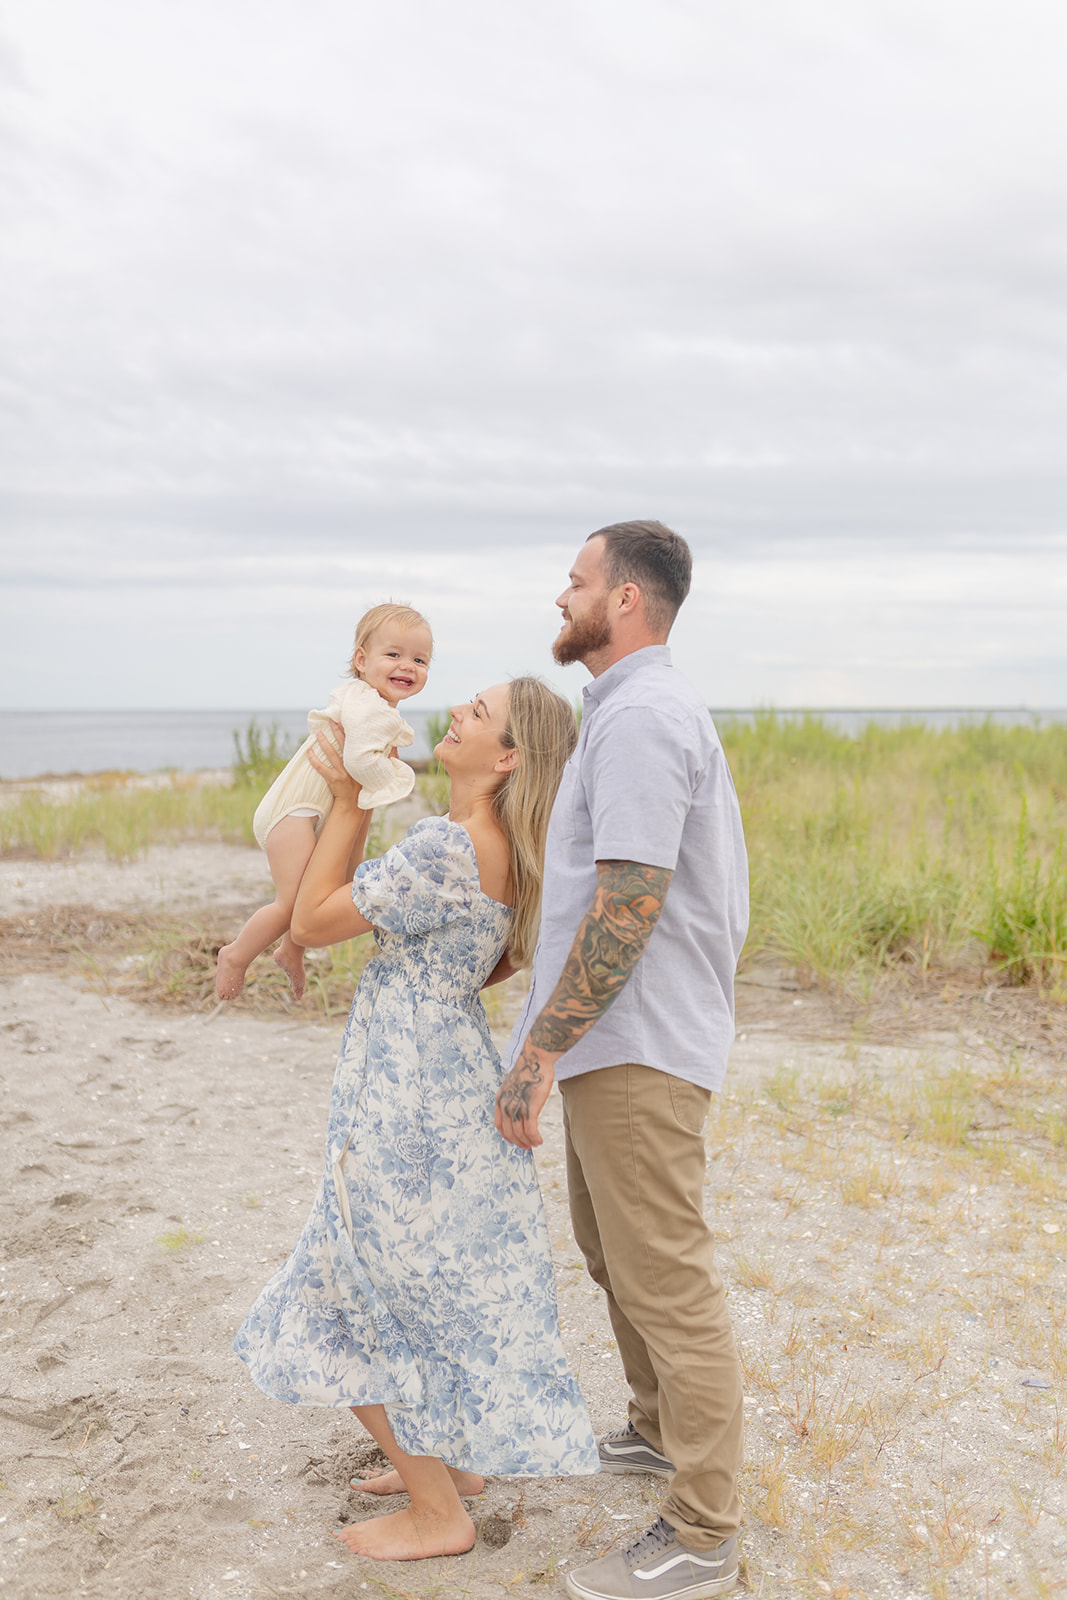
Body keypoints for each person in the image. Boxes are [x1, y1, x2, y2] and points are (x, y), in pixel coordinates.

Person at [234, 676, 598, 1563]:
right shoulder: (510, 845)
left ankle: (440, 1512)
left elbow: (316, 923)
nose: (458, 714)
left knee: (344, 1285)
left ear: (507, 758)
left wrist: (351, 799)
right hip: (449, 1066)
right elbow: (501, 958)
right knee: (425, 1279)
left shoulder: (447, 845)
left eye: (479, 713)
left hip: (406, 1089)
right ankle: (457, 1467)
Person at [495, 522, 748, 1600]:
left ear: (627, 601)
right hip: (618, 1043)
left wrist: (535, 1052)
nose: (561, 594)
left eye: (578, 580)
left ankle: (701, 1527)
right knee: (611, 1251)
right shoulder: (624, 712)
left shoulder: (644, 716)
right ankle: (652, 1431)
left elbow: (630, 901)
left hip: (639, 1046)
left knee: (665, 1276)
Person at [216, 603, 433, 1003]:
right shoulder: (366, 706)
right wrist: (399, 776)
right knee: (292, 904)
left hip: (317, 811)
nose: (408, 665)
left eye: (420, 659)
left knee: (334, 887)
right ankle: (235, 955)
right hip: (292, 814)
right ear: (361, 660)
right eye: (394, 654)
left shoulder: (374, 706)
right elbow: (357, 763)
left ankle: (290, 950)